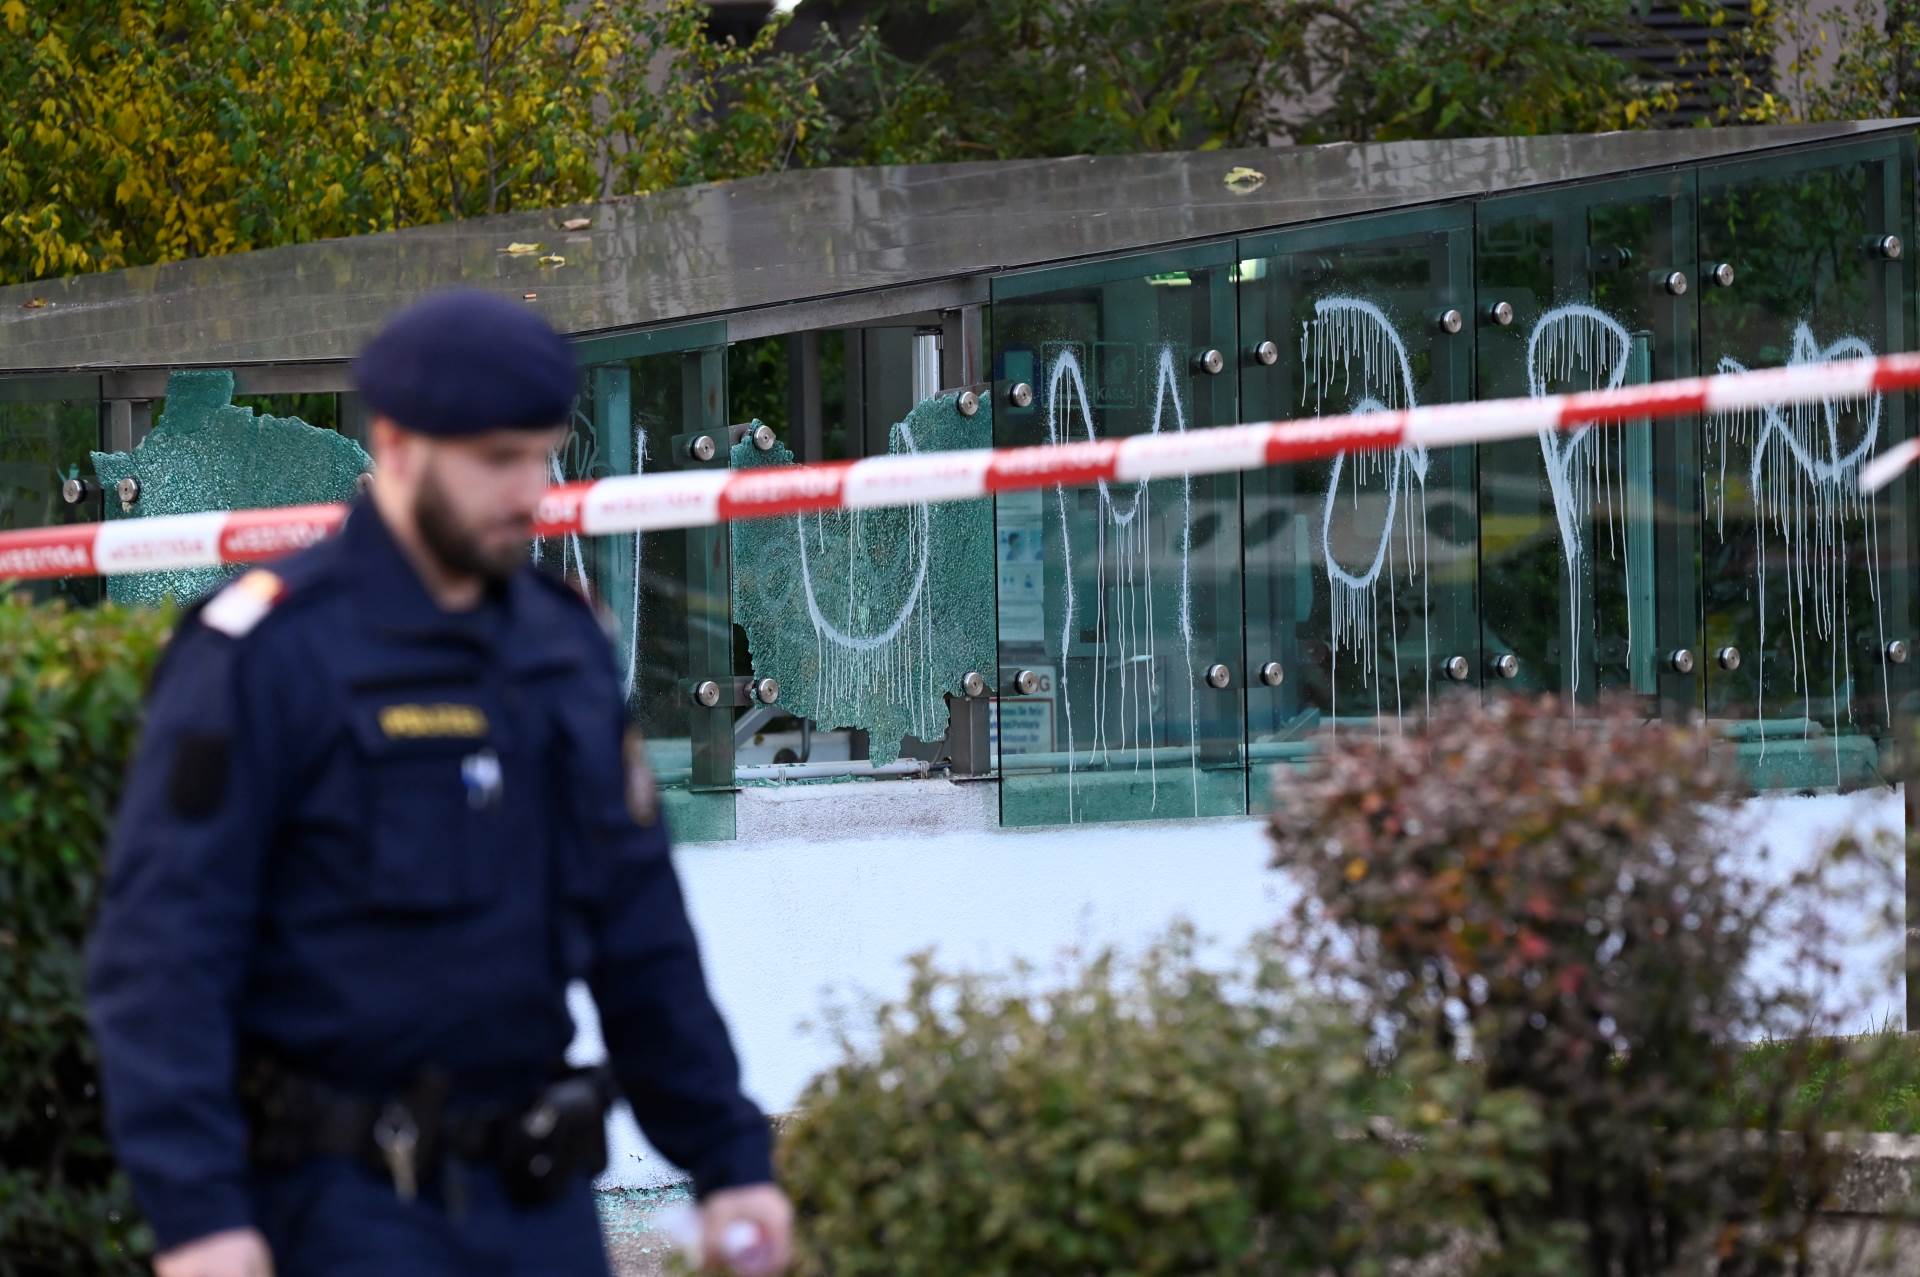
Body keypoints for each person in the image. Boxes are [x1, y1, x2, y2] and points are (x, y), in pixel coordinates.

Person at [87, 290, 793, 1277]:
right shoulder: (264, 651)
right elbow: (163, 956)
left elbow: (641, 936)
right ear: (396, 445)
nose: (528, 489)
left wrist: (728, 1157)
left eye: (541, 455)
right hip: (338, 1210)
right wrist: (200, 1216)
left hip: (537, 1205)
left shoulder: (559, 647)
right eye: (496, 459)